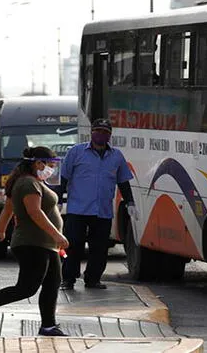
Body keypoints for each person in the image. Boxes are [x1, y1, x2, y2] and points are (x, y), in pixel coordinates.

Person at [0, 146, 70, 337]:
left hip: (44, 244)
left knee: (53, 283)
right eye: (50, 165)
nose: (51, 169)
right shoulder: (28, 183)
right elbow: (35, 212)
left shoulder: (29, 181)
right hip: (33, 243)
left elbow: (8, 208)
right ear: (38, 163)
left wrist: (1, 231)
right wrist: (57, 235)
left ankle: (48, 325)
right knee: (26, 288)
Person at [59, 118, 137, 290]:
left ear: (110, 136)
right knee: (73, 246)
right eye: (98, 131)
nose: (101, 135)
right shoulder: (76, 152)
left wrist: (130, 202)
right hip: (78, 209)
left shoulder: (116, 156)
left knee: (99, 248)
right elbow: (64, 177)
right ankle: (68, 279)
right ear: (91, 132)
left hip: (102, 211)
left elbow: (123, 182)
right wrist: (58, 200)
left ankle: (93, 279)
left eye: (105, 132)